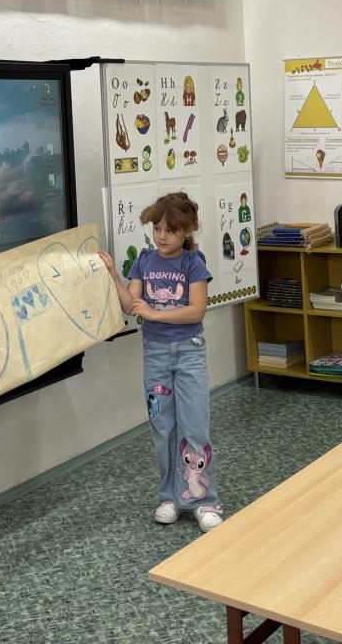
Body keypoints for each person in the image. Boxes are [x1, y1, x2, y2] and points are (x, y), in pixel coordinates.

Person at [99, 191, 222, 532]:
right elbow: (130, 305)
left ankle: (203, 500)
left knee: (194, 427)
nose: (162, 236)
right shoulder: (144, 261)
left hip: (189, 352)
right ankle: (170, 497)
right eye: (157, 229)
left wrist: (154, 313)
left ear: (187, 231)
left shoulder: (193, 264)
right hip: (155, 353)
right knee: (162, 428)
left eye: (170, 230)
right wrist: (113, 274)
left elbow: (196, 311)